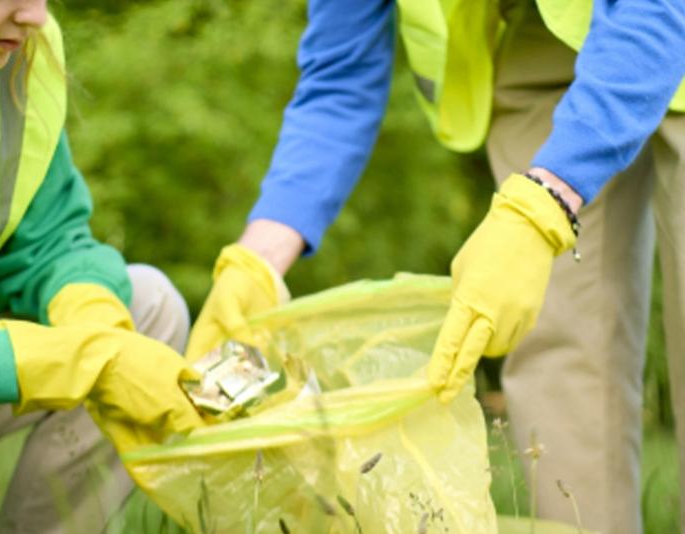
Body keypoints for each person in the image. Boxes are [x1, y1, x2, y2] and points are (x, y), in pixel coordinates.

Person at [185, 1, 685, 533]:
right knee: (554, 339)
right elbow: (339, 78)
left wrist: (547, 199)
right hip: (538, 45)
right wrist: (256, 262)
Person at [0, 1, 204, 533]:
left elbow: (47, 236)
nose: (34, 14)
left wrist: (97, 324)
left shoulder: (10, 56)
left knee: (146, 311)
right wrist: (33, 362)